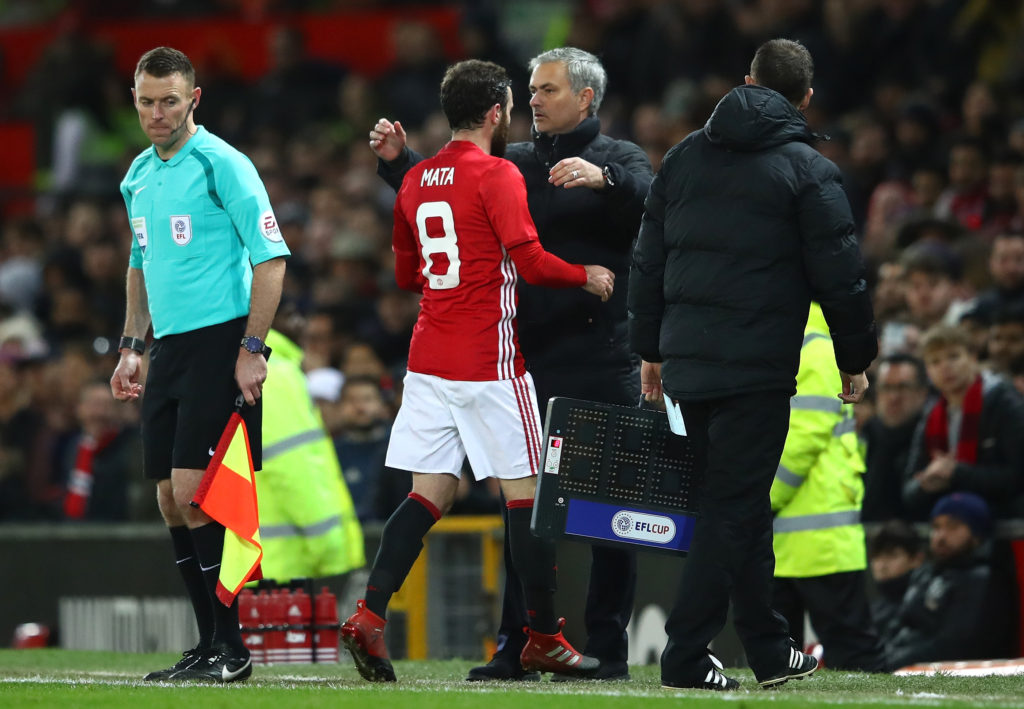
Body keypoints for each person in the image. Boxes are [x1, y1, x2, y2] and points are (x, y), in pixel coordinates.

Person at [370, 46, 652, 683]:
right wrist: (399, 166)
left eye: (548, 90)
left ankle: (607, 646)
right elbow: (453, 194)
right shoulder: (512, 162)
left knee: (609, 511)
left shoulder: (619, 157)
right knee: (520, 505)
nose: (535, 100)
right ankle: (517, 643)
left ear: (585, 97)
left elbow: (652, 200)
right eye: (530, 89)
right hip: (526, 356)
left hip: (602, 358)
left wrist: (602, 180)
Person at [628, 39, 877, 690]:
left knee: (736, 503)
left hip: (686, 365)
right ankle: (685, 653)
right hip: (755, 369)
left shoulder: (682, 158)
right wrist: (855, 358)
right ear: (806, 99)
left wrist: (649, 350)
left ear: (747, 82)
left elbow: (647, 262)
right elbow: (841, 275)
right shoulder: (807, 169)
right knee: (733, 506)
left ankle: (769, 647)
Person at [109, 47, 289, 683]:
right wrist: (133, 346)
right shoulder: (137, 174)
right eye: (146, 101)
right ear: (134, 98)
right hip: (170, 350)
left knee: (195, 495)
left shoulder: (222, 165)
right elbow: (140, 264)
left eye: (169, 101)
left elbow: (271, 260)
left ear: (194, 99)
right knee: (166, 499)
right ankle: (208, 641)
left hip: (219, 342)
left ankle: (231, 649)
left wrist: (252, 349)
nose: (157, 114)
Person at [769, 304, 888, 673]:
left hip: (818, 537)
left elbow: (803, 438)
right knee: (778, 663)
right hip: (795, 538)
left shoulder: (815, 347)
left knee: (854, 655)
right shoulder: (797, 340)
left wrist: (758, 498)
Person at [256, 305, 364, 583]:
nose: (299, 322)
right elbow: (294, 467)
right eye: (290, 312)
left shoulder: (246, 368)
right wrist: (331, 550)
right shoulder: (275, 375)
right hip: (289, 569)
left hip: (261, 564)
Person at [902, 324, 1024, 520]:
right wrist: (925, 484)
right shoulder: (931, 415)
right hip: (949, 524)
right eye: (935, 362)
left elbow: (1017, 477)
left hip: (1002, 523)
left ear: (973, 358)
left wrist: (956, 473)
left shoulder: (1005, 402)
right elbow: (909, 490)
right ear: (928, 372)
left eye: (953, 356)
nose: (945, 367)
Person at [885, 492, 1016, 668]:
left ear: (977, 534)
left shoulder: (985, 580)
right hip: (904, 666)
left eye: (953, 527)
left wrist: (888, 664)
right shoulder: (927, 572)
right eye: (936, 527)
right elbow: (898, 624)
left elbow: (954, 647)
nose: (941, 536)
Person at [861, 354, 931, 522]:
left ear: (922, 393)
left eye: (903, 388)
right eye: (886, 388)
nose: (893, 397)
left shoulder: (934, 435)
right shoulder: (863, 436)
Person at [866, 520, 925, 639]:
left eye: (892, 555)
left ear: (916, 559)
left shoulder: (923, 606)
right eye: (876, 557)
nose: (882, 566)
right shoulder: (873, 609)